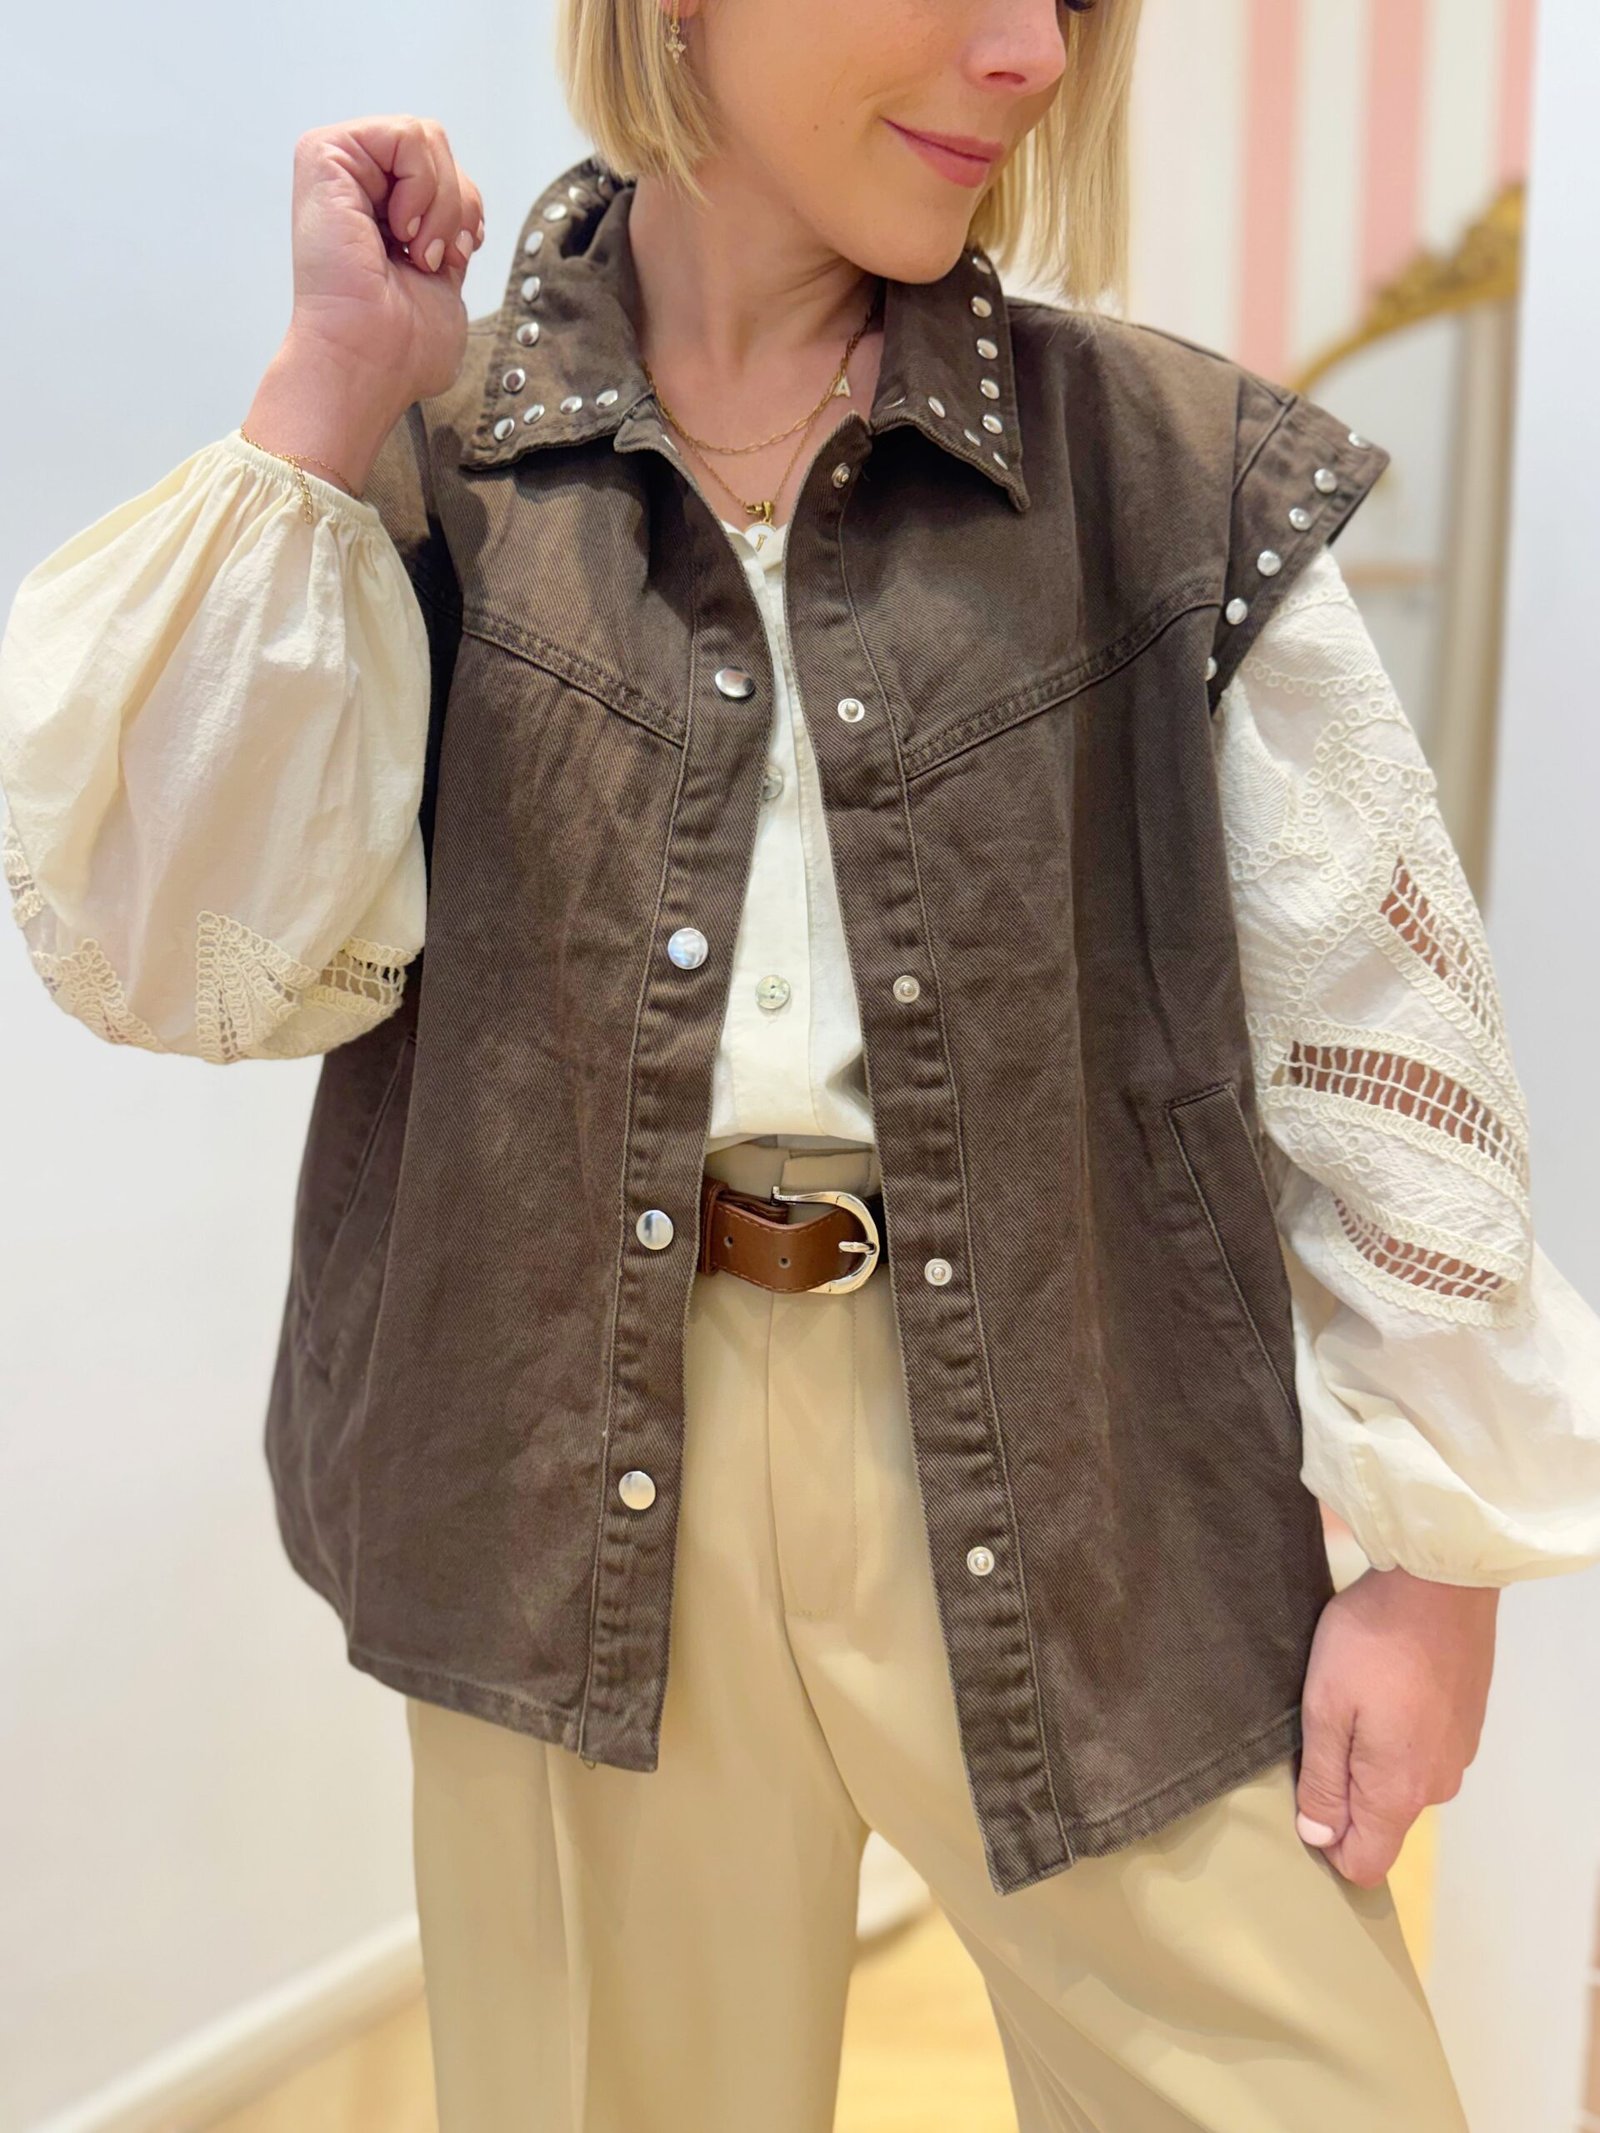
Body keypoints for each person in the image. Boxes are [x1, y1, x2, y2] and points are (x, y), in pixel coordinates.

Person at [3, 0, 1599, 2125]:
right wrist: (325, 395)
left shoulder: (1158, 470)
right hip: (556, 1476)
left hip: (1095, 1455)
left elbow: (1382, 1028)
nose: (1032, 55)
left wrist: (1432, 1558)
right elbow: (180, 953)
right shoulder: (433, 463)